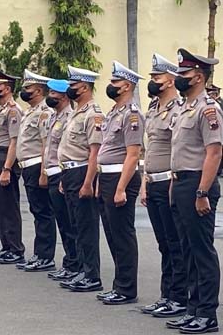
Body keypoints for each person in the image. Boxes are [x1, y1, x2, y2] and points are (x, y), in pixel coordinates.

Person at [164, 48, 223, 334]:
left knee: (202, 251)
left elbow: (213, 153)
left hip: (199, 183)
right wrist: (176, 185)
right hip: (183, 183)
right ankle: (193, 309)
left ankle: (207, 314)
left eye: (184, 74)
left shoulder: (207, 108)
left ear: (198, 77)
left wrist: (202, 192)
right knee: (187, 250)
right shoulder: (185, 108)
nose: (179, 78)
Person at [139, 53, 187, 317]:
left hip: (170, 181)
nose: (153, 81)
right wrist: (145, 181)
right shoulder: (154, 108)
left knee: (174, 242)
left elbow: (178, 148)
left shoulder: (178, 108)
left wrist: (171, 181)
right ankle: (166, 294)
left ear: (170, 81)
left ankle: (179, 297)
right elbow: (151, 149)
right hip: (154, 182)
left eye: (157, 77)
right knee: (163, 243)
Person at [96, 61, 144, 305]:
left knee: (122, 234)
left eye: (115, 82)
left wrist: (121, 187)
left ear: (127, 86)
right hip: (106, 176)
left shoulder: (132, 114)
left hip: (120, 177)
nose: (111, 86)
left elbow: (133, 154)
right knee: (112, 233)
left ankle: (127, 288)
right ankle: (118, 284)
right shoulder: (114, 111)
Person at [57, 65, 105, 293]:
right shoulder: (76, 112)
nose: (70, 89)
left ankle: (92, 275)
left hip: (82, 172)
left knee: (86, 226)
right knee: (75, 224)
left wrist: (88, 182)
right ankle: (82, 270)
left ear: (84, 87)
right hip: (69, 173)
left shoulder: (93, 114)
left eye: (73, 86)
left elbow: (94, 152)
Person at [16, 70, 56, 272]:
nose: (24, 92)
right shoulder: (29, 111)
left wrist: (43, 172)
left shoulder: (44, 113)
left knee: (43, 212)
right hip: (27, 166)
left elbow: (45, 143)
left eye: (28, 88)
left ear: (39, 90)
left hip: (36, 165)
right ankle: (40, 254)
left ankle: (45, 256)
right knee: (37, 210)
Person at [0, 69, 26, 265]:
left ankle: (16, 248)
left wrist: (7, 168)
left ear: (7, 88)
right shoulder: (1, 109)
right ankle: (7, 246)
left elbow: (14, 141)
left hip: (5, 157)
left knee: (9, 205)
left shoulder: (13, 110)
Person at [43, 79, 79, 282]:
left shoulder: (69, 117)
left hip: (62, 172)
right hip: (52, 171)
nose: (50, 96)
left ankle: (75, 263)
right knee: (63, 222)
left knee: (69, 221)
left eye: (53, 93)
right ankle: (70, 261)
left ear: (64, 96)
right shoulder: (54, 117)